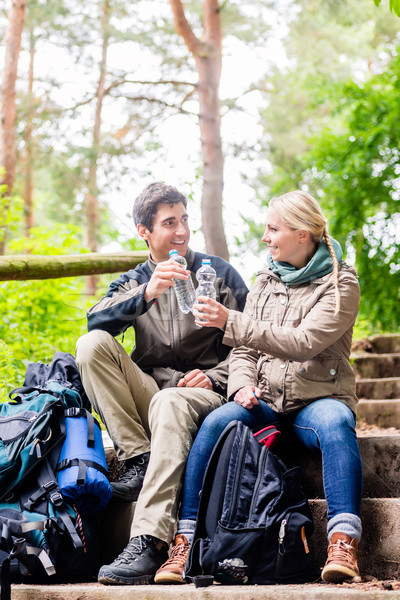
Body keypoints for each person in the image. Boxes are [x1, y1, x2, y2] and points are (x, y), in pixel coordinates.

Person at [155, 190, 363, 585]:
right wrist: (241, 386)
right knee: (217, 422)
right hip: (265, 401)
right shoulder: (266, 279)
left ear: (303, 234)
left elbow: (303, 342)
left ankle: (342, 540)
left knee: (337, 423)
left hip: (316, 402)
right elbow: (244, 352)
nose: (265, 237)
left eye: (273, 229)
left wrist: (229, 321)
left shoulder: (341, 283)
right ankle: (183, 542)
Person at [75, 182, 248, 586]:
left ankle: (150, 540)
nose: (182, 231)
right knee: (91, 345)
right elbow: (95, 320)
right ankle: (138, 456)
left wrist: (216, 376)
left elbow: (252, 340)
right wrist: (147, 292)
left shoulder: (218, 273)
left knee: (171, 400)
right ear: (144, 232)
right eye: (169, 223)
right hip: (153, 397)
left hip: (206, 395)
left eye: (184, 220)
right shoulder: (135, 280)